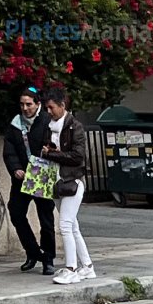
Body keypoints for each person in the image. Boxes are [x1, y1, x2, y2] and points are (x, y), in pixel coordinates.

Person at [40, 86, 95, 285]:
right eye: (47, 108)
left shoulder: (75, 127)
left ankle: (71, 268)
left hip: (73, 181)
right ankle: (87, 266)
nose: (49, 111)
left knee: (65, 225)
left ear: (62, 105)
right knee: (72, 226)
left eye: (52, 107)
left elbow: (78, 157)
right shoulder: (49, 127)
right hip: (56, 181)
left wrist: (52, 154)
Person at [2, 86, 56, 274]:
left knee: (45, 218)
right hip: (22, 176)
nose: (25, 108)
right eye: (22, 104)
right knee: (16, 213)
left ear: (38, 104)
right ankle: (33, 252)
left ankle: (48, 258)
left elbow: (54, 145)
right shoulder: (15, 124)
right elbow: (9, 150)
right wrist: (15, 168)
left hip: (41, 173)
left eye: (29, 104)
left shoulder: (46, 121)